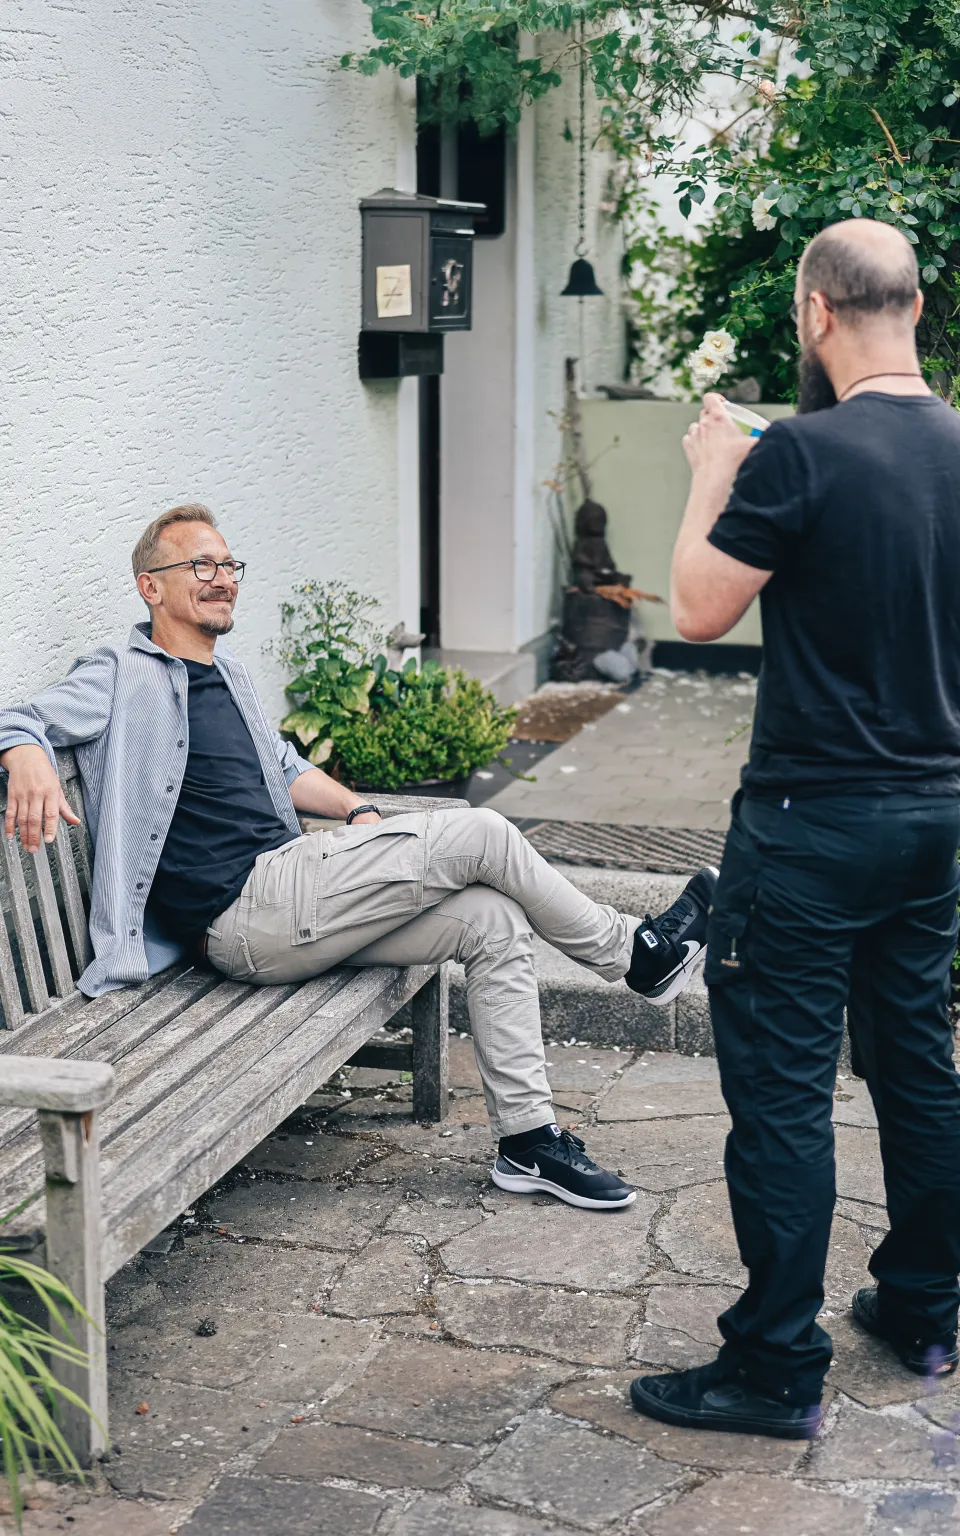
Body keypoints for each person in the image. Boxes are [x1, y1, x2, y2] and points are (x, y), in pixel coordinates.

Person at [0, 503, 715, 1212]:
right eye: (200, 566)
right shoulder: (120, 672)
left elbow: (282, 766)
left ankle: (528, 1143)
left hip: (295, 901)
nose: (221, 579)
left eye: (228, 566)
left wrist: (355, 810)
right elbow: (17, 715)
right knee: (484, 832)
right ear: (150, 587)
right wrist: (27, 755)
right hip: (248, 911)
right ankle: (637, 953)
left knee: (492, 918)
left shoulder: (234, 676)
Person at [630, 218, 960, 1441]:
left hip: (809, 827)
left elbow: (701, 609)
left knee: (779, 1095)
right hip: (933, 819)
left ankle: (773, 1368)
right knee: (917, 1065)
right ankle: (925, 1309)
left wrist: (715, 469)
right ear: (914, 308)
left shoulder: (800, 456)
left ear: (818, 313)